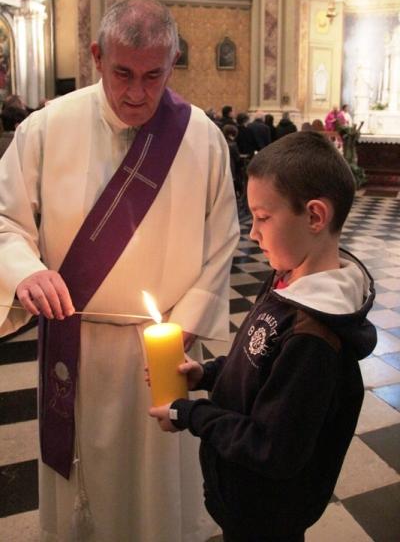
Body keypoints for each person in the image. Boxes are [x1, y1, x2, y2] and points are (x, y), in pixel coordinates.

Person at [0, 0, 239, 541]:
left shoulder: (200, 136)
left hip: (165, 349)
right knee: (82, 485)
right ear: (95, 55)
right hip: (75, 344)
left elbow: (224, 238)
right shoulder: (45, 128)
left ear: (172, 63)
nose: (137, 93)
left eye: (154, 76)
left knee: (157, 488)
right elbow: (4, 220)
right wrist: (24, 270)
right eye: (122, 73)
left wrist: (188, 326)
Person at [149, 131, 377, 542]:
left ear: (314, 216)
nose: (252, 233)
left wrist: (191, 414)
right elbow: (255, 363)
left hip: (267, 511)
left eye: (263, 217)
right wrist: (207, 374)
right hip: (240, 495)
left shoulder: (315, 335)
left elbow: (272, 447)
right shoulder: (285, 280)